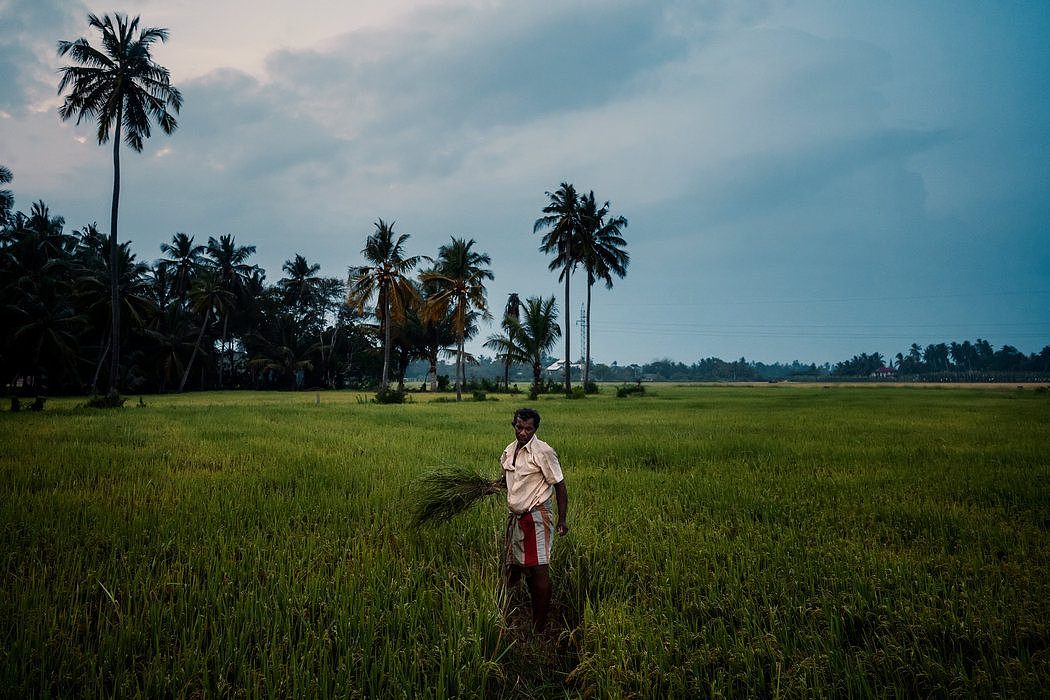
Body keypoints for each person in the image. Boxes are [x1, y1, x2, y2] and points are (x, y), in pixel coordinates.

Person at [500, 407, 568, 631]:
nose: (523, 432)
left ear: (535, 429)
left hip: (537, 516)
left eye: (528, 429)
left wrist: (562, 520)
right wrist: (485, 486)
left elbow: (559, 484)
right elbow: (507, 481)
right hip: (515, 517)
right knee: (513, 567)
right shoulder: (509, 451)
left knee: (539, 568)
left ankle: (538, 627)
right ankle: (506, 613)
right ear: (514, 425)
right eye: (519, 427)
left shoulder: (543, 452)